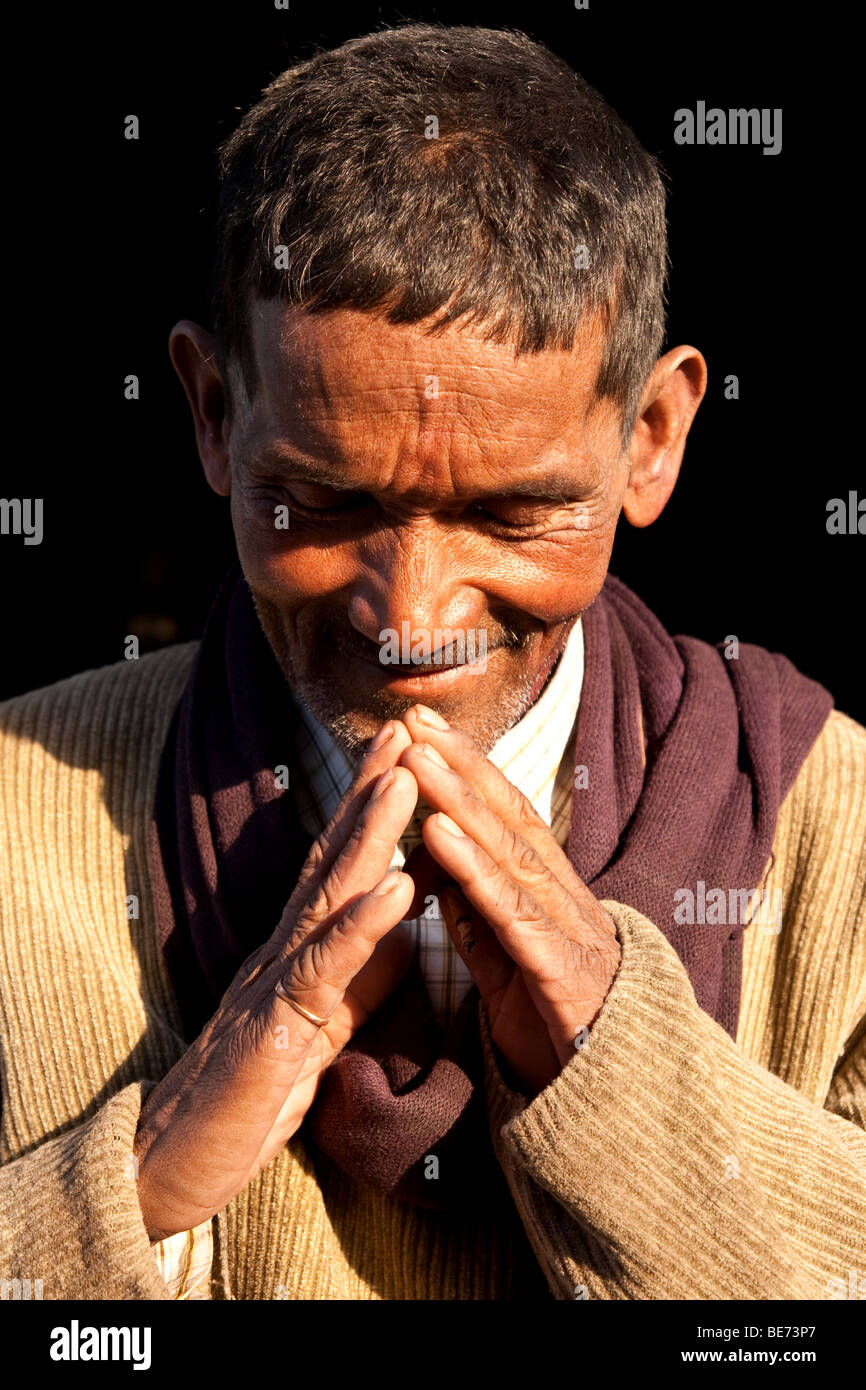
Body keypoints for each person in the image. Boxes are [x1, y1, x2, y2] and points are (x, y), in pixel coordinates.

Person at [1, 23, 863, 1302]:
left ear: (653, 438)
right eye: (325, 504)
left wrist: (620, 1062)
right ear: (210, 413)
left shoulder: (836, 840)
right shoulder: (19, 815)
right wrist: (139, 1179)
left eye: (511, 517)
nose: (409, 616)